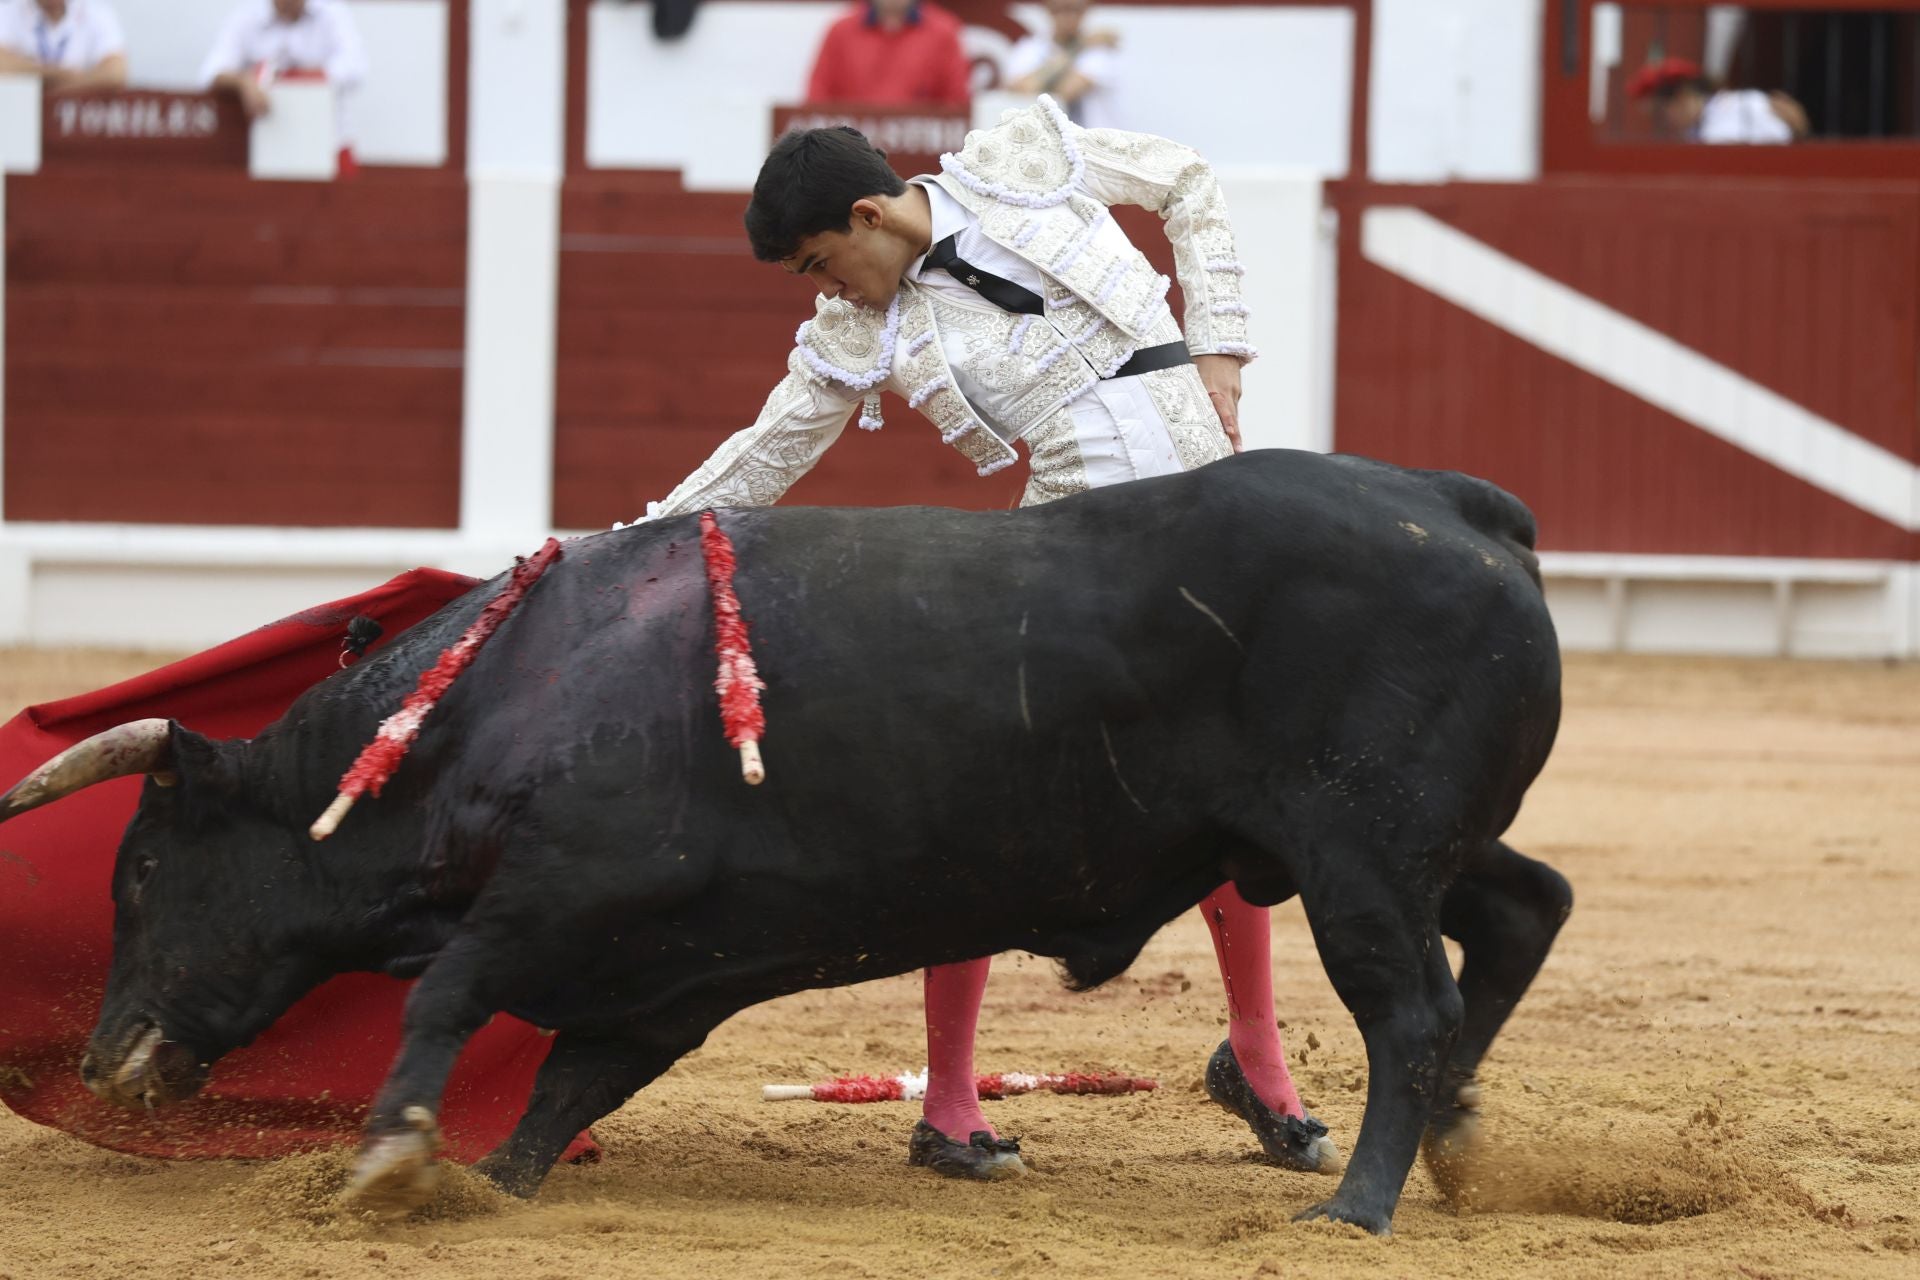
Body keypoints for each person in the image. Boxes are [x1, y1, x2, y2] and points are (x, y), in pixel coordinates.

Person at [629, 101, 1342, 1182]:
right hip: (1074, 557)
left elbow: (1188, 178)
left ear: (867, 214)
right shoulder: (860, 334)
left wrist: (1223, 351)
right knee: (984, 802)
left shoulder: (1023, 159)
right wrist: (620, 555)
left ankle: (1254, 1052)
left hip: (1208, 520)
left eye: (823, 263)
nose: (826, 291)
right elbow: (759, 458)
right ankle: (950, 1100)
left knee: (1230, 792)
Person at [199, 0, 366, 150]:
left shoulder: (332, 13)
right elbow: (210, 73)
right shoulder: (246, 15)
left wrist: (295, 78)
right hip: (264, 145)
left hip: (330, 143)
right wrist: (244, 82)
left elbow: (355, 68)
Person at [805, 0, 969, 108]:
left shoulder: (943, 32)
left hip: (919, 153)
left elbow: (957, 105)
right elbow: (816, 99)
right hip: (850, 153)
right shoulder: (840, 31)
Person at [1629, 56, 1809, 144]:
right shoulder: (1697, 130)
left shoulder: (1745, 106)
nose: (1667, 121)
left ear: (1682, 97)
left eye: (1662, 112)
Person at [1004, 0, 1119, 129]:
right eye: (1059, 9)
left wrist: (1042, 78)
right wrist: (1078, 46)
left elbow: (1065, 92)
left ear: (1085, 10)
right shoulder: (1030, 47)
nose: (1067, 16)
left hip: (1093, 143)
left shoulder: (1099, 51)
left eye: (1074, 9)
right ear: (1048, 10)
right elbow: (1026, 89)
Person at [0, 0, 127, 93]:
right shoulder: (6, 11)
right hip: (20, 118)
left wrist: (38, 78)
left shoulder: (98, 13)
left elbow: (115, 74)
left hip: (72, 122)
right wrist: (64, 76)